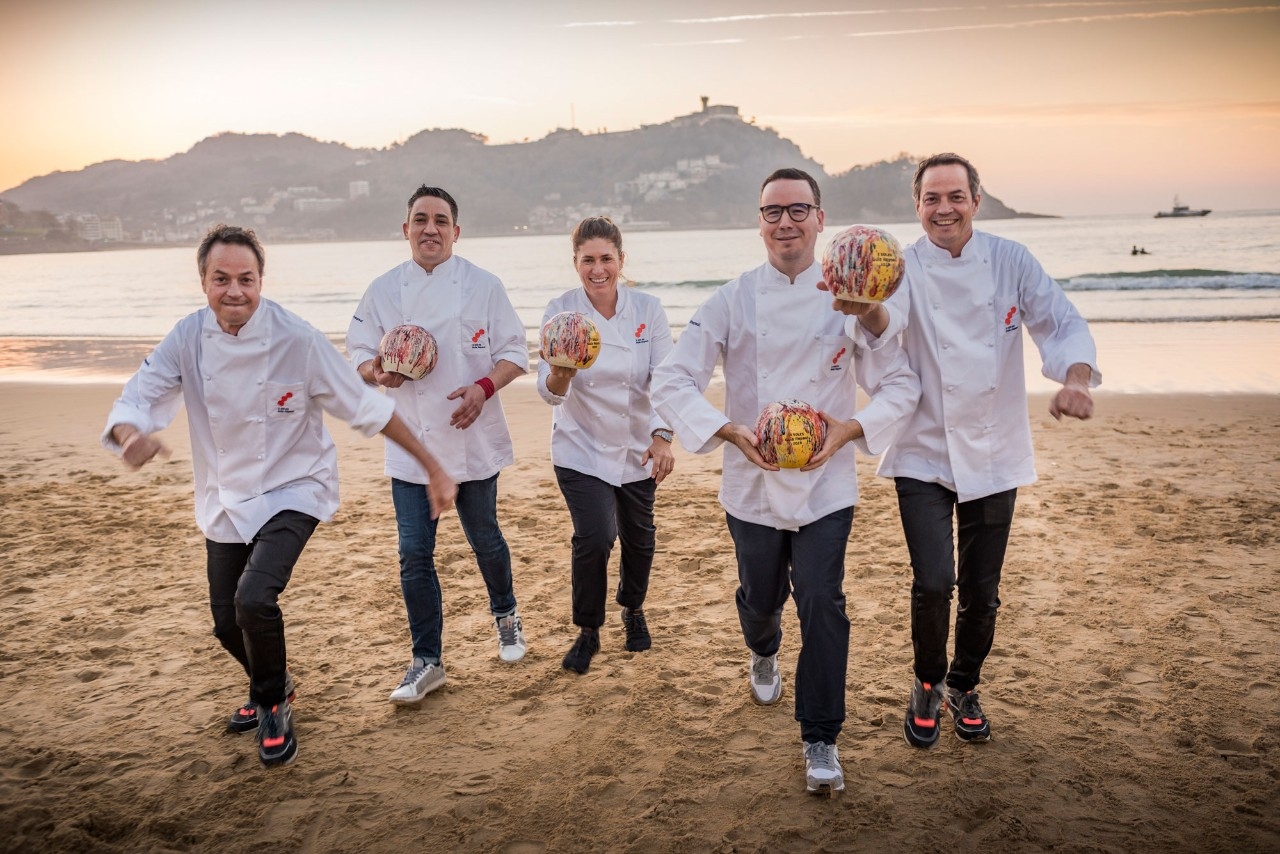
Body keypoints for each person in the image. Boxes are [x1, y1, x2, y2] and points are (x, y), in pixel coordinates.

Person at [102, 224, 456, 768]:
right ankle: (276, 680)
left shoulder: (297, 339)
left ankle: (271, 704)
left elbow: (367, 407)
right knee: (226, 623)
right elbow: (139, 397)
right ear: (204, 282)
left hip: (296, 486)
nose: (234, 290)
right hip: (225, 494)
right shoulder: (187, 337)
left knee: (253, 599)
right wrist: (131, 437)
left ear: (261, 281)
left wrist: (432, 466)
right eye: (222, 279)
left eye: (246, 279)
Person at [652, 169, 920, 794]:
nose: (786, 222)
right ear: (760, 223)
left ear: (821, 219)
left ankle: (821, 737)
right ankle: (764, 647)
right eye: (773, 211)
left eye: (799, 209)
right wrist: (729, 431)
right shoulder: (732, 299)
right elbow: (671, 379)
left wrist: (851, 430)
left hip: (827, 484)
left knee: (823, 602)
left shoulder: (852, 297)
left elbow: (900, 383)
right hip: (752, 483)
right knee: (761, 601)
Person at [836, 153, 1099, 748]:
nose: (944, 208)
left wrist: (1076, 379)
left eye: (955, 196)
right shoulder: (902, 266)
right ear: (917, 206)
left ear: (976, 201)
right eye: (932, 198)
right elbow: (885, 325)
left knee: (983, 592)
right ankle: (928, 682)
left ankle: (964, 684)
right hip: (922, 448)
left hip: (994, 450)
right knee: (934, 582)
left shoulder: (1011, 260)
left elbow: (1059, 322)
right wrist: (865, 308)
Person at [346, 185, 529, 705]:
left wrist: (483, 387)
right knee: (413, 554)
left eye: (441, 220)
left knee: (485, 538)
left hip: (472, 438)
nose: (431, 228)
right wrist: (377, 370)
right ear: (406, 229)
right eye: (421, 219)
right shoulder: (383, 290)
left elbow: (516, 351)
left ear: (456, 231)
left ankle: (506, 615)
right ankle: (427, 660)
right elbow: (357, 352)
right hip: (412, 444)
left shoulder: (483, 285)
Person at [536, 216, 675, 674]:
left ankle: (633, 608)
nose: (598, 270)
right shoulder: (561, 311)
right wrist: (561, 375)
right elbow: (549, 393)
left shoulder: (648, 310)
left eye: (606, 259)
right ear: (575, 262)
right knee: (595, 537)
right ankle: (588, 630)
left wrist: (662, 437)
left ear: (621, 259)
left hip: (638, 446)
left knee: (640, 541)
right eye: (588, 260)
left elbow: (665, 380)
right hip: (580, 446)